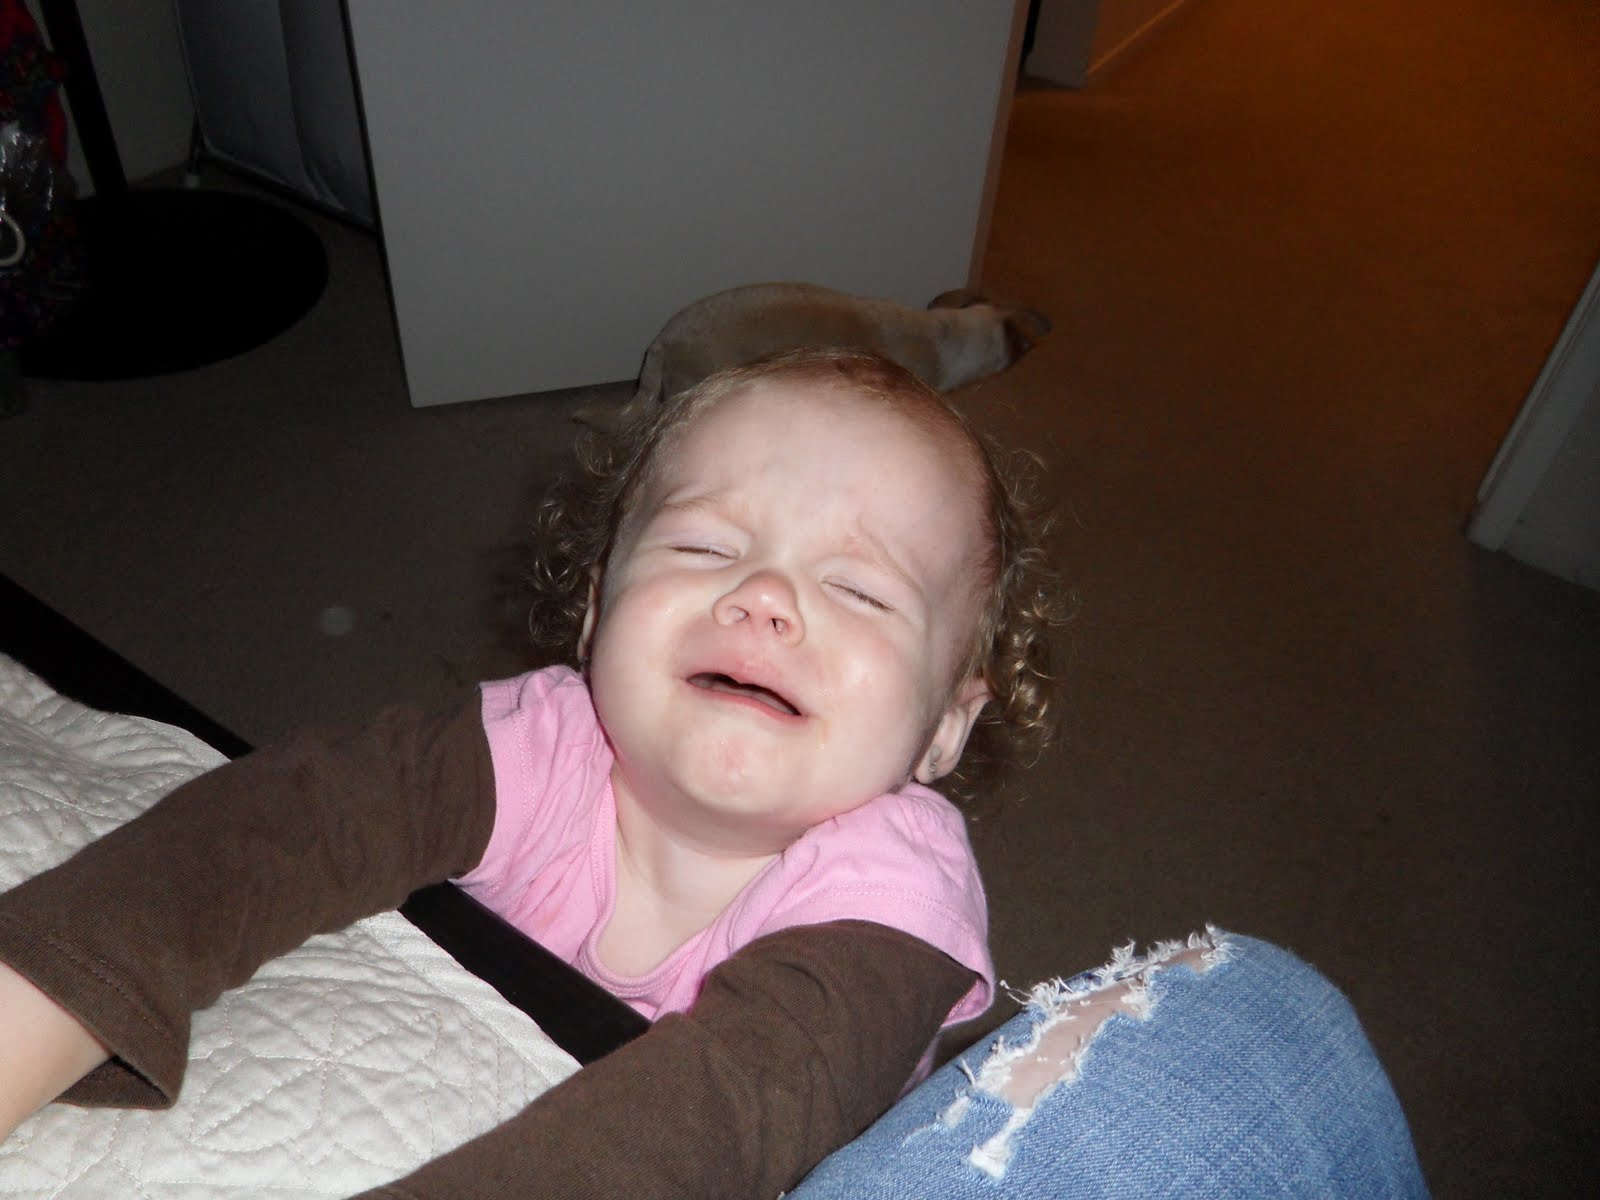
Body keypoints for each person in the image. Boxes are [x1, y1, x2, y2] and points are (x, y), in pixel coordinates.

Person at [0, 348, 1066, 1197]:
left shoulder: (894, 905)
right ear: (597, 613)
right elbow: (279, 825)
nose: (766, 599)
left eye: (860, 591)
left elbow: (720, 1120)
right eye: (704, 547)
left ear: (945, 728)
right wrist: (43, 1004)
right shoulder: (549, 740)